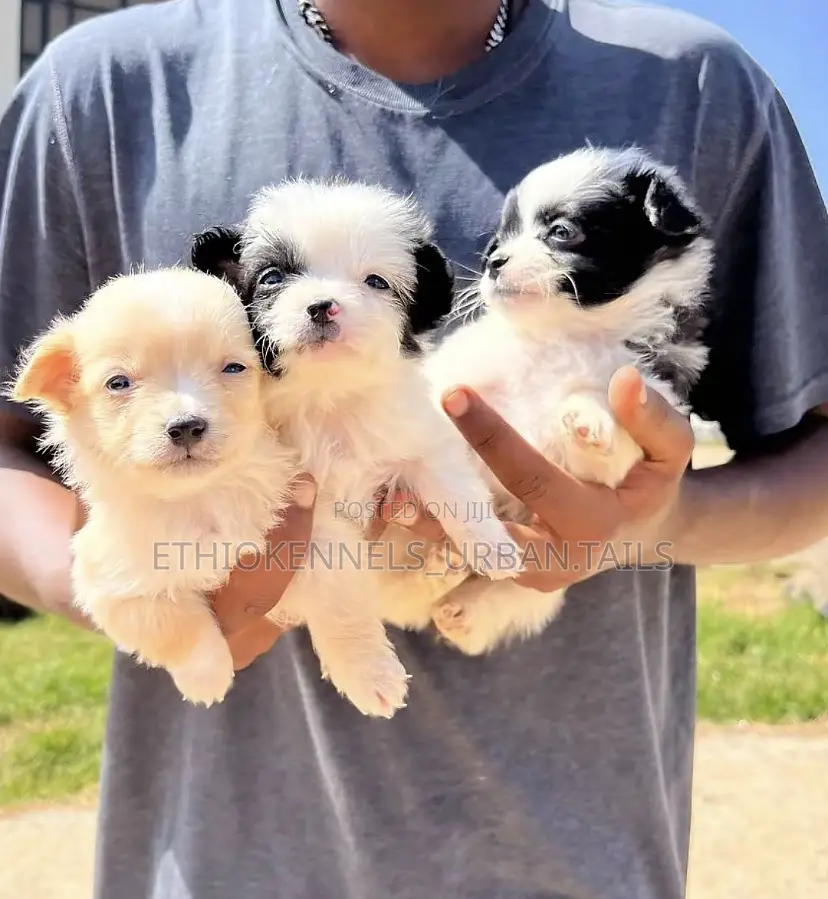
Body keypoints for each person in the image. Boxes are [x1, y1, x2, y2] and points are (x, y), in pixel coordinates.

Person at [1, 1, 827, 896]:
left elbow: (809, 456)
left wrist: (658, 516)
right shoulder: (106, 91)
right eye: (273, 284)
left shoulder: (695, 85)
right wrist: (137, 586)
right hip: (220, 859)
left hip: (573, 858)